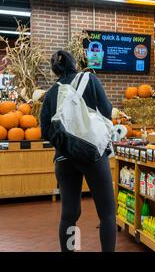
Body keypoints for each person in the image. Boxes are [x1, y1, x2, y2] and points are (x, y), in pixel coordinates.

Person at [40, 50, 116, 252]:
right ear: (75, 63)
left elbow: (45, 131)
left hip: (64, 158)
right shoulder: (89, 78)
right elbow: (106, 111)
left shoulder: (51, 93)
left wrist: (68, 141)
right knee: (107, 213)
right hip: (93, 155)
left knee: (69, 215)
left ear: (55, 70)